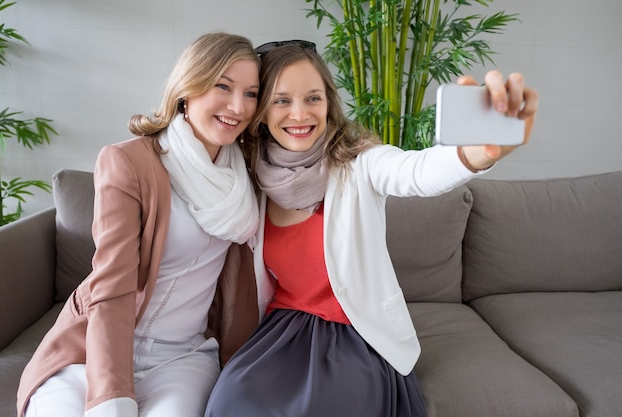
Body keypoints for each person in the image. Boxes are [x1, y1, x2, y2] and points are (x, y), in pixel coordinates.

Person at [204, 41, 539, 417]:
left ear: (328, 102)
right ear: (262, 110)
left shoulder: (359, 162)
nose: (299, 113)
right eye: (282, 100)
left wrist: (475, 154)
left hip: (355, 332)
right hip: (284, 327)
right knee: (231, 402)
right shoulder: (250, 175)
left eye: (312, 97)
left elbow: (416, 172)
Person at [17, 32, 263, 417]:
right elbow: (113, 286)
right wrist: (110, 397)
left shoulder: (248, 175)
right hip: (93, 351)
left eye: (251, 93)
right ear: (188, 87)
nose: (238, 106)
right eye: (224, 86)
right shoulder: (129, 162)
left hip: (183, 357)